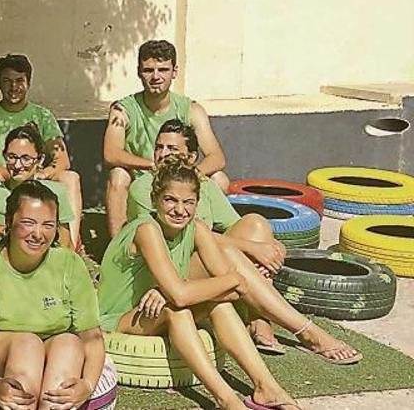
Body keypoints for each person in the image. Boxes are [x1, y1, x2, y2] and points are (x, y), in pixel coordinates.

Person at [128, 120, 361, 360]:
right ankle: (306, 331)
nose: (163, 154)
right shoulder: (148, 188)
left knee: (256, 224)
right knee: (234, 253)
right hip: (170, 267)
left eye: (172, 149)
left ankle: (258, 319)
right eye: (159, 147)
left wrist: (268, 245)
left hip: (204, 260)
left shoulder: (202, 185)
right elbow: (186, 236)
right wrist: (253, 249)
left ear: (191, 157)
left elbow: (233, 227)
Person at [100, 161, 322, 410]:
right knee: (177, 309)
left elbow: (235, 291)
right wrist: (228, 280)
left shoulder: (197, 229)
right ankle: (226, 400)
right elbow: (187, 295)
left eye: (188, 202)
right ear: (155, 200)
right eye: (170, 200)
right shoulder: (146, 229)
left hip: (158, 307)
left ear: (197, 203)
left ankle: (266, 387)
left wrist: (177, 289)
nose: (179, 210)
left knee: (220, 306)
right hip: (118, 317)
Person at [0, 181, 104, 410]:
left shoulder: (69, 264)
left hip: (55, 347)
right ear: (9, 222)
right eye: (28, 223)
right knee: (28, 344)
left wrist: (87, 385)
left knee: (69, 343)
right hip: (5, 347)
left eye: (48, 225)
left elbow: (92, 336)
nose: (38, 234)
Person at [104, 39, 227, 236]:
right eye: (148, 70)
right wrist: (153, 165)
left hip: (182, 179)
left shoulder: (192, 109)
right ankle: (118, 247)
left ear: (174, 72)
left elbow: (217, 157)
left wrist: (189, 174)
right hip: (144, 180)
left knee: (219, 178)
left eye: (163, 70)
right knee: (118, 175)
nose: (155, 77)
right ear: (139, 72)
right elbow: (111, 154)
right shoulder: (123, 109)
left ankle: (211, 241)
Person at [0, 53, 83, 249]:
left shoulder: (43, 115)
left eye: (19, 80)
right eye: (7, 81)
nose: (13, 87)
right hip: (4, 177)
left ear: (28, 83)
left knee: (70, 177)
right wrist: (18, 174)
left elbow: (62, 159)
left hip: (36, 175)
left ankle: (70, 244)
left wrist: (39, 174)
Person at [0, 125, 78, 264]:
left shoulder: (55, 192)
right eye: (12, 157)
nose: (17, 165)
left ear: (40, 159)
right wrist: (9, 230)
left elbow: (64, 243)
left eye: (26, 158)